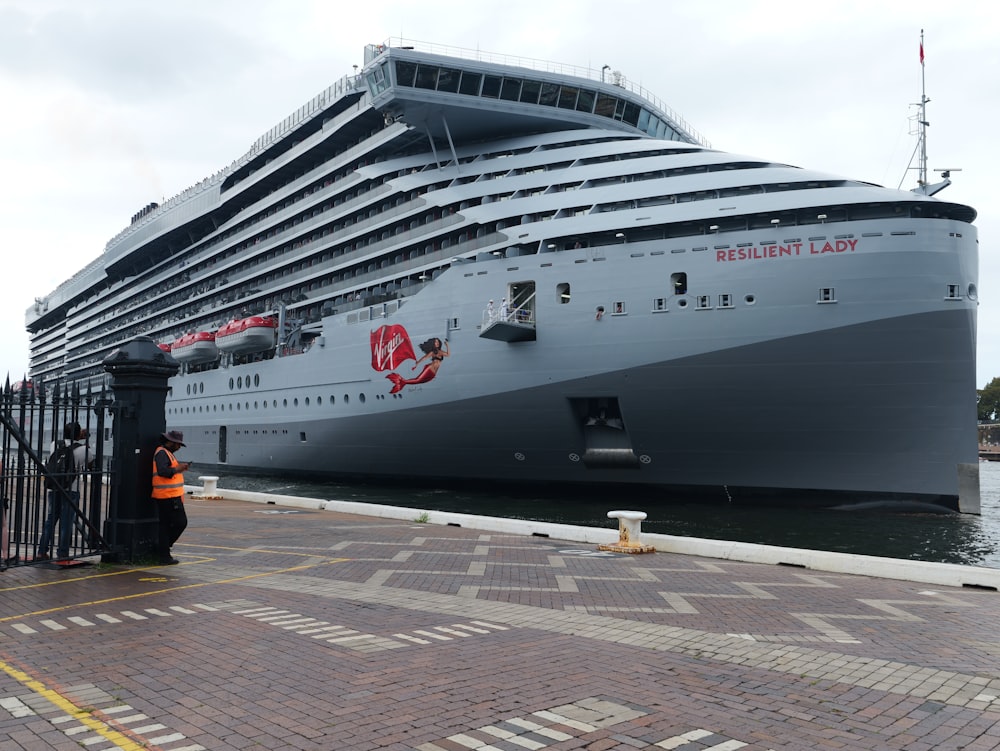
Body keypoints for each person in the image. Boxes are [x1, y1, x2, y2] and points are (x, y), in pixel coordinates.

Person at [37, 423, 88, 562]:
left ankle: (42, 551)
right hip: (71, 488)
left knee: (50, 520)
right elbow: (90, 463)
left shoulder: (55, 444)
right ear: (79, 434)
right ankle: (62, 553)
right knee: (66, 522)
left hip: (54, 487)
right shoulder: (83, 449)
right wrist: (84, 441)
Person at [152, 430, 190, 565]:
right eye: (178, 444)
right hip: (168, 496)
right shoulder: (162, 453)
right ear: (171, 442)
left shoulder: (165, 453)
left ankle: (164, 553)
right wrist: (177, 470)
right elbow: (163, 471)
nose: (179, 447)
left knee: (165, 526)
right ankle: (163, 549)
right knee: (180, 523)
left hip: (168, 495)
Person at [385, 337, 450, 394]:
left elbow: (448, 354)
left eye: (438, 341)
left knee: (419, 381)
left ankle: (402, 382)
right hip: (429, 369)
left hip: (433, 374)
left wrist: (447, 346)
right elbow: (424, 358)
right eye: (435, 342)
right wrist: (417, 364)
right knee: (417, 380)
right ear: (433, 344)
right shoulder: (432, 352)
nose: (437, 343)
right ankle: (402, 381)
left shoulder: (441, 352)